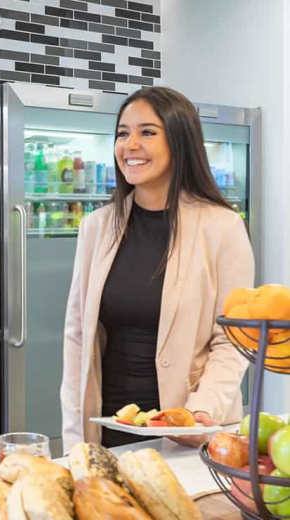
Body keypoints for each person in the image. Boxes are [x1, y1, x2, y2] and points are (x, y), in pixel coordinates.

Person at [60, 86, 254, 452]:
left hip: (190, 429)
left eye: (147, 132)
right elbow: (78, 336)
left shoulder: (222, 226)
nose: (130, 144)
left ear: (180, 141)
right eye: (122, 133)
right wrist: (75, 438)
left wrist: (200, 412)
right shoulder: (97, 226)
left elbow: (233, 339)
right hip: (110, 426)